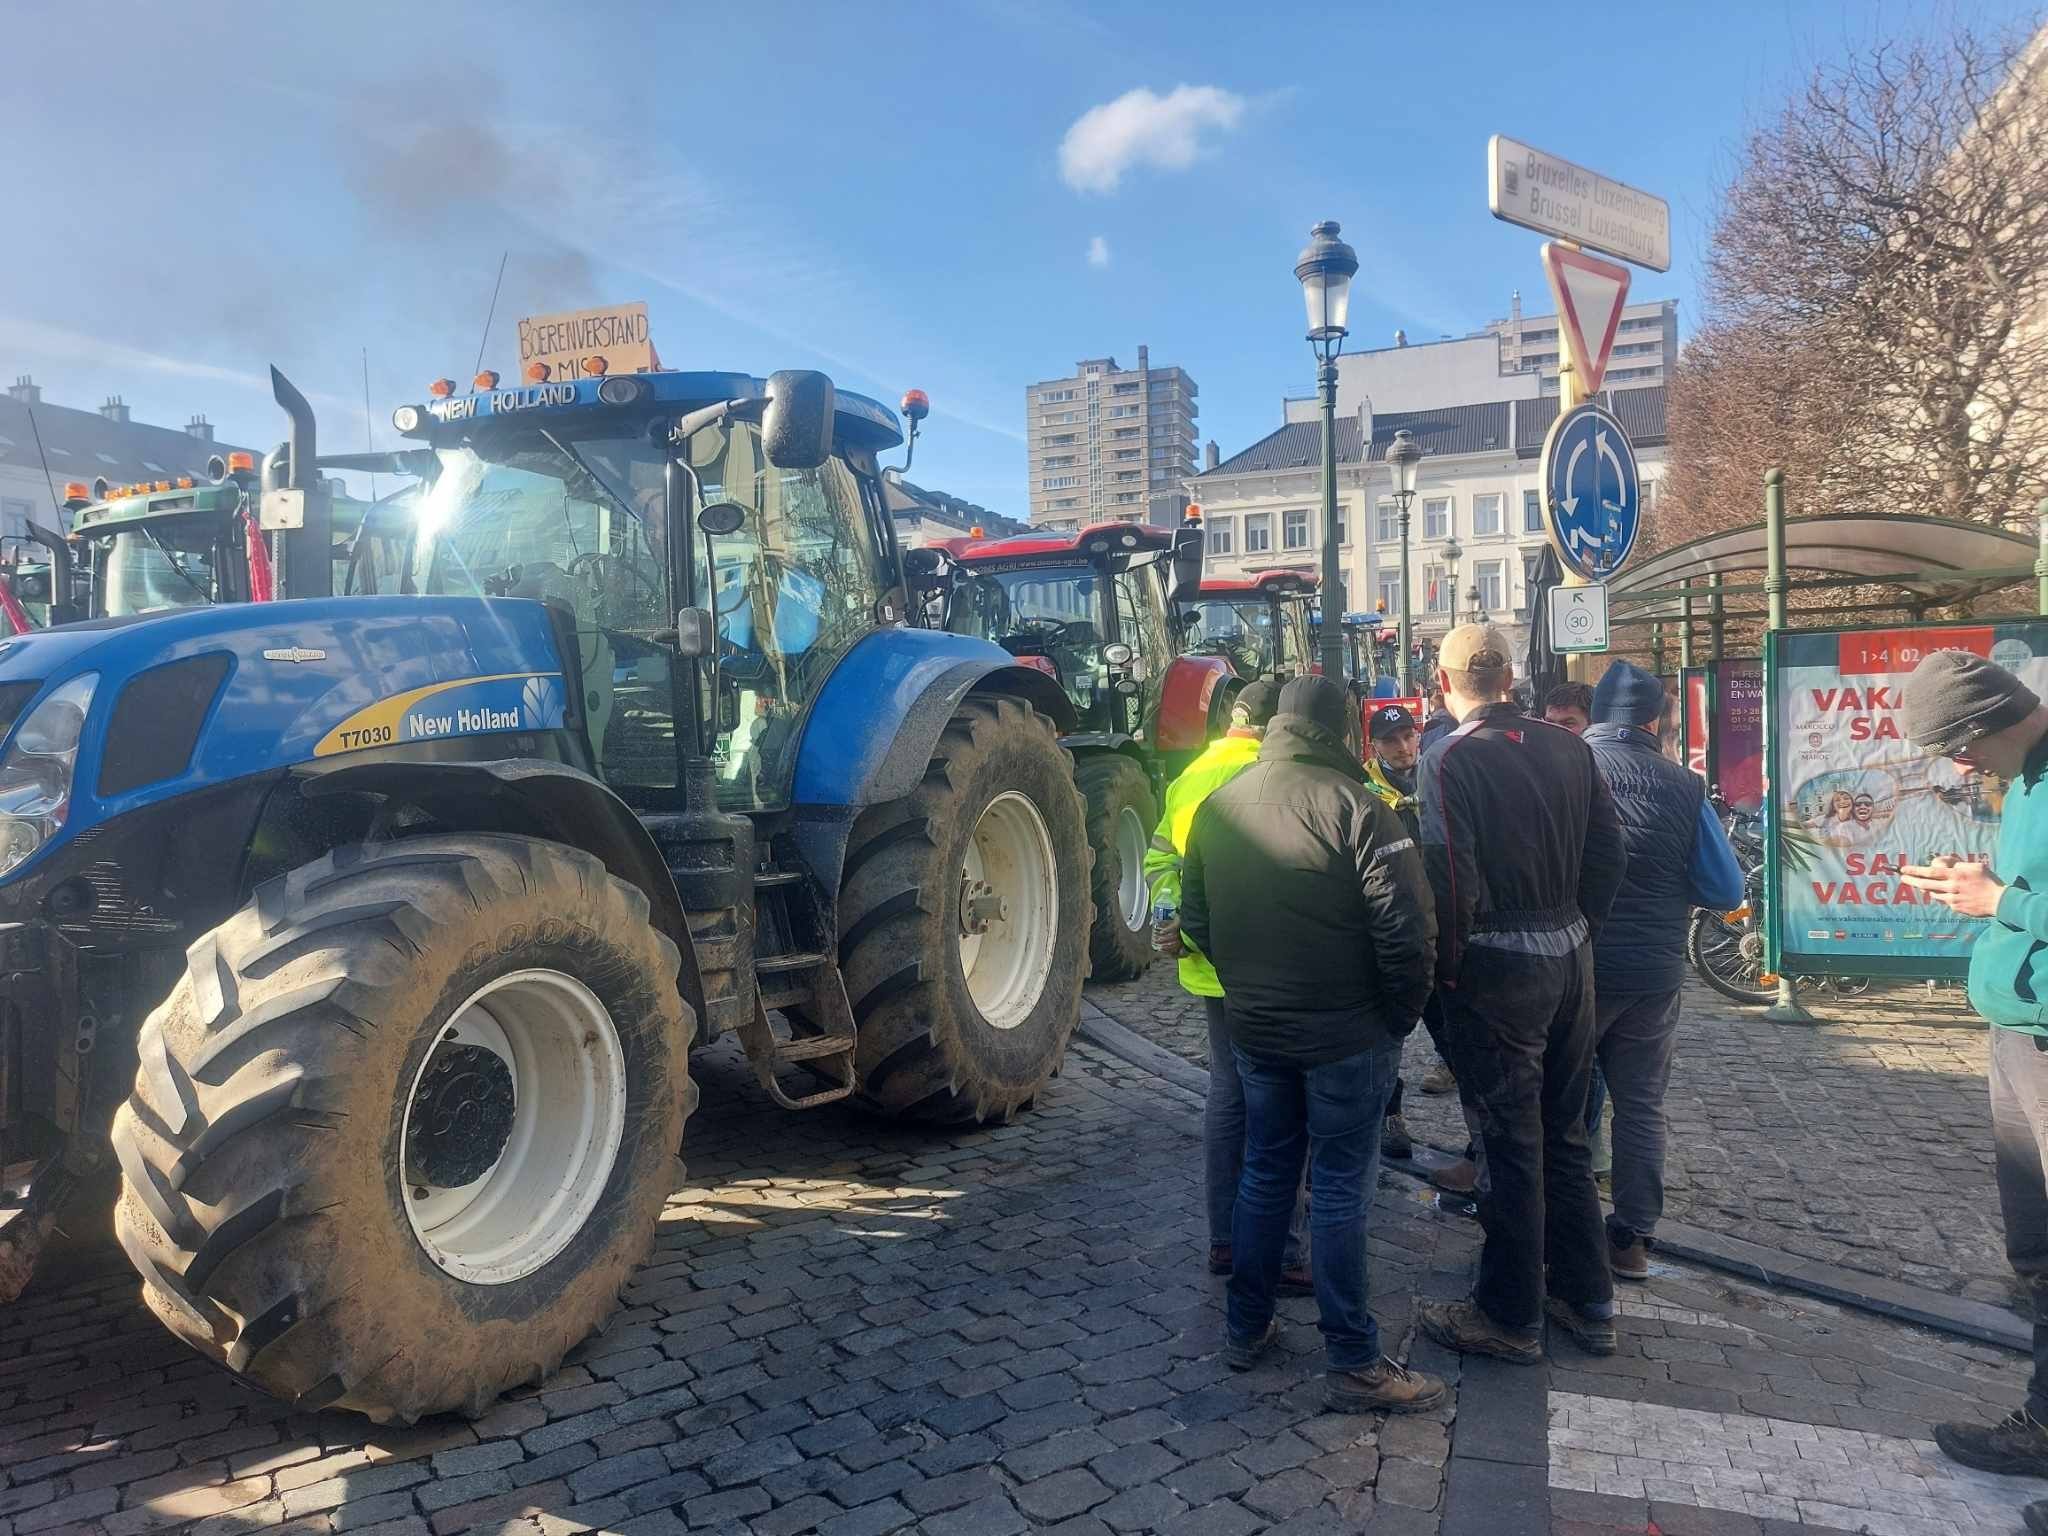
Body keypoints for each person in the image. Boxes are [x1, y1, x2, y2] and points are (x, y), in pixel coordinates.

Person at [1182, 675, 1444, 1413]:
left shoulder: (1219, 805)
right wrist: (1396, 1019)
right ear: (1344, 731)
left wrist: (1248, 990)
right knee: (1337, 1188)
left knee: (1266, 1174)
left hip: (1258, 1030)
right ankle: (1354, 1359)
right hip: (1347, 1036)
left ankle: (1246, 1326)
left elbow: (1197, 921)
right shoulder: (1359, 808)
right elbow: (1408, 936)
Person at [1415, 623, 1628, 1363]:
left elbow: (1450, 878)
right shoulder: (1571, 747)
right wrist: (1581, 927)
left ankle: (1508, 1315)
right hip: (1570, 957)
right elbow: (1610, 852)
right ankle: (1587, 1296)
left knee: (1508, 1143)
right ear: (1511, 679)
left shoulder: (1449, 759)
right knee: (1565, 1135)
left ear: (1445, 683)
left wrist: (1449, 971)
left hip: (1499, 966)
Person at [1899, 654, 2048, 1529]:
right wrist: (1982, 890)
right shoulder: (2022, 779)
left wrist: (2002, 902)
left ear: (1985, 722)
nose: (1960, 766)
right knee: (2036, 1254)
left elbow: (2026, 900)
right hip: (2016, 1031)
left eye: (1957, 747)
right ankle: (2042, 1422)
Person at [1144, 681, 1309, 1290]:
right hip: (1270, 964)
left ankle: (1223, 1239)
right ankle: (1282, 1250)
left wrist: (1172, 920)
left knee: (1227, 1095)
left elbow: (1160, 861)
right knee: (1282, 1102)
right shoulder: (1279, 773)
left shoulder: (1190, 777)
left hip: (1207, 964)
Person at [1582, 661, 1743, 1280]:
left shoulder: (1569, 767)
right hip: (1652, 974)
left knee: (1565, 1101)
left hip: (1580, 966)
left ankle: (1563, 1229)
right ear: (1655, 722)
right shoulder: (1684, 786)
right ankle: (1631, 1239)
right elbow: (1725, 889)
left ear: (1597, 714)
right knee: (1641, 1105)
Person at [1363, 703, 1461, 1146]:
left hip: (1438, 922)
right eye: (1391, 740)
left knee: (1450, 1018)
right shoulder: (1365, 791)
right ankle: (1390, 1114)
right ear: (1375, 747)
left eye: (1408, 736)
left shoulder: (1438, 777)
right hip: (1390, 925)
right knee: (1387, 1033)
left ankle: (1457, 1076)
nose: (1403, 747)